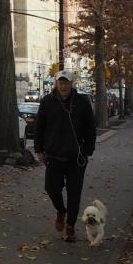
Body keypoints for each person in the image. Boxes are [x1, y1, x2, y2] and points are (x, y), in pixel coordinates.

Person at [34, 70, 97, 243]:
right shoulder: (47, 101)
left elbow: (90, 128)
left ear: (71, 84)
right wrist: (39, 149)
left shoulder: (82, 102)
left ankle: (70, 226)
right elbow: (39, 126)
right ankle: (61, 211)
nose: (63, 86)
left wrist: (88, 150)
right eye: (60, 83)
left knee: (74, 193)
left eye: (66, 83)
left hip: (76, 157)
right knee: (51, 188)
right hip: (53, 155)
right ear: (56, 84)